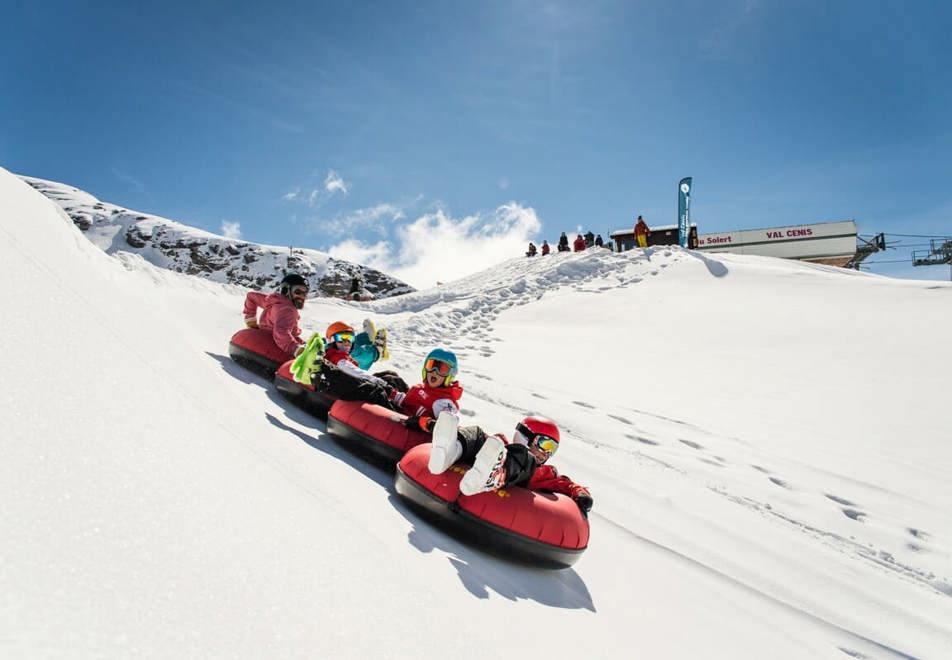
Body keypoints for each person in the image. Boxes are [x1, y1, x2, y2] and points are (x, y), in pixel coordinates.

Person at [427, 414, 593, 517]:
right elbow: (483, 440)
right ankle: (449, 452)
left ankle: (496, 475)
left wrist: (581, 494)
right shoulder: (499, 445)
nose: (546, 453)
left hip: (513, 476)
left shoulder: (545, 473)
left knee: (526, 458)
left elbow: (566, 484)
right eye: (545, 444)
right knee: (478, 435)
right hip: (496, 456)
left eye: (552, 449)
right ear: (526, 437)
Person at [386, 348, 464, 434]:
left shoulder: (444, 401)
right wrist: (391, 393)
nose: (434, 372)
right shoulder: (422, 388)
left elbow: (447, 426)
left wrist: (424, 422)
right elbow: (408, 402)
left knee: (375, 391)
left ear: (450, 375)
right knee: (391, 378)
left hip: (411, 428)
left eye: (442, 369)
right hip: (402, 412)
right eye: (431, 365)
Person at [243, 273, 309, 359]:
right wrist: (296, 349)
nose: (302, 296)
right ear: (286, 290)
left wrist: (251, 321)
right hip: (277, 345)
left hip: (264, 335)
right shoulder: (288, 309)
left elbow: (251, 297)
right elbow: (281, 332)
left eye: (305, 293)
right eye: (298, 291)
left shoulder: (273, 300)